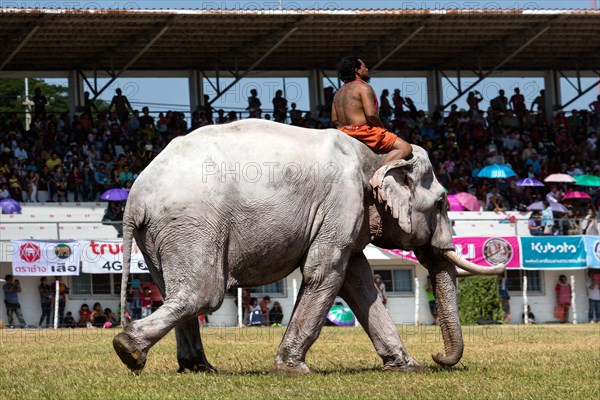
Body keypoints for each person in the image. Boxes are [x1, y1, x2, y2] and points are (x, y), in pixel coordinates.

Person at [332, 56, 412, 163]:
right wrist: (382, 128)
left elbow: (334, 120)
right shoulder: (364, 87)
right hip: (362, 132)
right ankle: (379, 175)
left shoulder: (339, 92)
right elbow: (371, 115)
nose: (367, 69)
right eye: (364, 67)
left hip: (342, 132)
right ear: (357, 71)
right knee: (405, 148)